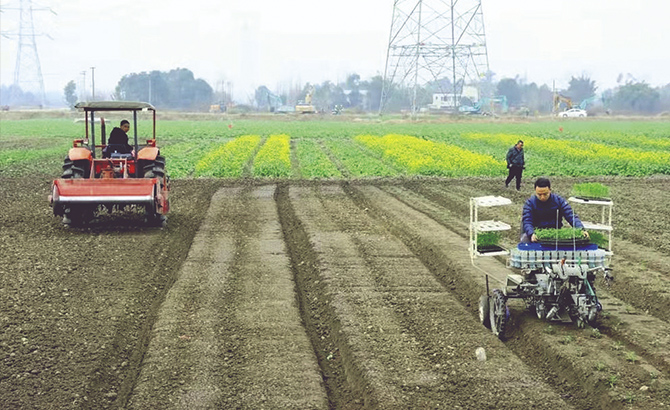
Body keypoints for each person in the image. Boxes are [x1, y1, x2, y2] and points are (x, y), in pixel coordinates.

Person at [520, 177, 590, 243]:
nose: (542, 197)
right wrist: (531, 233)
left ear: (550, 190)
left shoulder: (559, 201)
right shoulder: (530, 203)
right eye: (539, 194)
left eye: (545, 194)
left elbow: (570, 215)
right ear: (535, 191)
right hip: (535, 233)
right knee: (525, 240)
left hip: (555, 232)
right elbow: (527, 221)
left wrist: (581, 229)